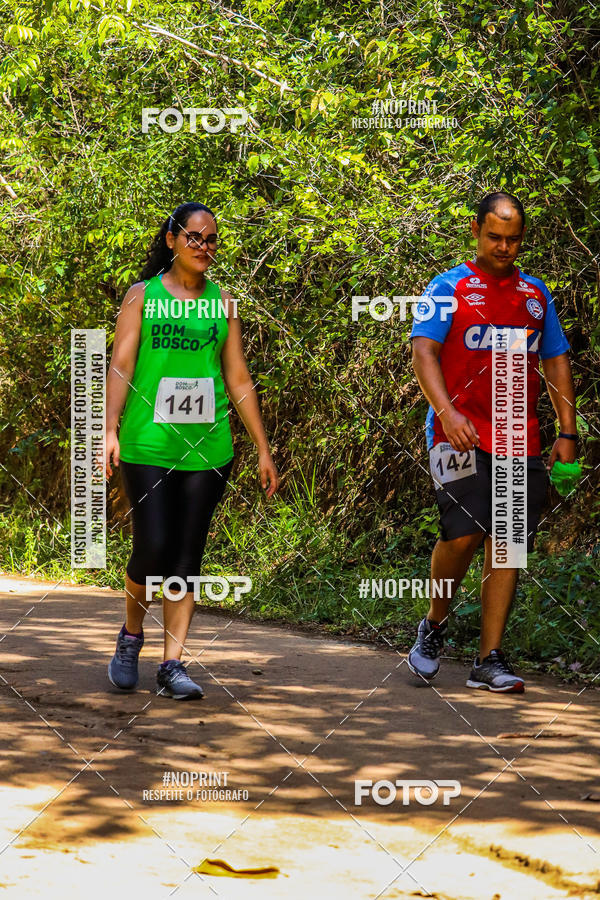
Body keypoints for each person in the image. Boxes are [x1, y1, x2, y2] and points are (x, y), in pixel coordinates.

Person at [105, 202, 279, 699]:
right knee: (153, 546)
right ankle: (130, 636)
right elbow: (121, 364)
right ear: (172, 240)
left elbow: (238, 376)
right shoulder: (144, 297)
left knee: (187, 555)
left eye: (212, 239)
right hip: (148, 443)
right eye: (195, 237)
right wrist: (110, 429)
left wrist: (262, 448)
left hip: (208, 448)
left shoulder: (223, 303)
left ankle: (172, 664)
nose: (204, 247)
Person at [408, 192, 576, 693]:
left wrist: (568, 431)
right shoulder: (447, 287)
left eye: (513, 239)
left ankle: (489, 658)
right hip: (456, 433)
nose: (503, 247)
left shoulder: (535, 295)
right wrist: (447, 411)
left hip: (518, 436)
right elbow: (423, 353)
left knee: (507, 544)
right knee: (462, 535)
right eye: (494, 237)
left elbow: (556, 362)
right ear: (476, 231)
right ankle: (434, 624)